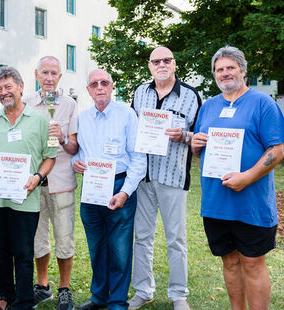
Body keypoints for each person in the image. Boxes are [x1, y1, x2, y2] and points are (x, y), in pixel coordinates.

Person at [191, 46, 284, 310]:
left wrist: (247, 177)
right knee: (229, 261)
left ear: (243, 70)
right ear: (214, 75)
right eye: (219, 69)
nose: (225, 73)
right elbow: (200, 150)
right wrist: (195, 144)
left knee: (253, 262)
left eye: (230, 67)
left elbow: (277, 149)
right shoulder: (208, 106)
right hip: (216, 202)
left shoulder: (263, 103)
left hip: (251, 201)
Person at [128, 47, 201, 310]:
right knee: (142, 237)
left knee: (176, 238)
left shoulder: (191, 96)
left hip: (173, 176)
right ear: (149, 66)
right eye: (156, 61)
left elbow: (201, 136)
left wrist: (185, 136)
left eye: (166, 60)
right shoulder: (140, 93)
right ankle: (143, 289)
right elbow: (131, 130)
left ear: (174, 64)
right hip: (143, 178)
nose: (161, 64)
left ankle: (178, 293)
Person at [0, 66, 56, 310]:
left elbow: (51, 156)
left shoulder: (42, 120)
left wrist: (37, 176)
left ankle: (23, 301)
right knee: (1, 252)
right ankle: (4, 297)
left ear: (21, 87)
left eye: (8, 87)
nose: (4, 92)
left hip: (27, 198)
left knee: (23, 253)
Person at [72, 69, 146, 310]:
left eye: (104, 83)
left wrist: (125, 192)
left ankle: (116, 301)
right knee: (96, 246)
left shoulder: (127, 115)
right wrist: (76, 163)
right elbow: (82, 153)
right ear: (88, 90)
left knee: (120, 248)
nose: (100, 87)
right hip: (91, 188)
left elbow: (138, 158)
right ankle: (99, 297)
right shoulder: (83, 118)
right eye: (94, 84)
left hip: (119, 185)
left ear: (112, 86)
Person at [23, 56, 78, 310]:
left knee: (64, 238)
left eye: (53, 73)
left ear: (60, 77)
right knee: (38, 238)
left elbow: (74, 146)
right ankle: (43, 286)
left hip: (62, 181)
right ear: (36, 75)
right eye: (44, 72)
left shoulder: (69, 105)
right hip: (34, 183)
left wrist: (63, 136)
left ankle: (64, 289)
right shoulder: (26, 105)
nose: (48, 77)